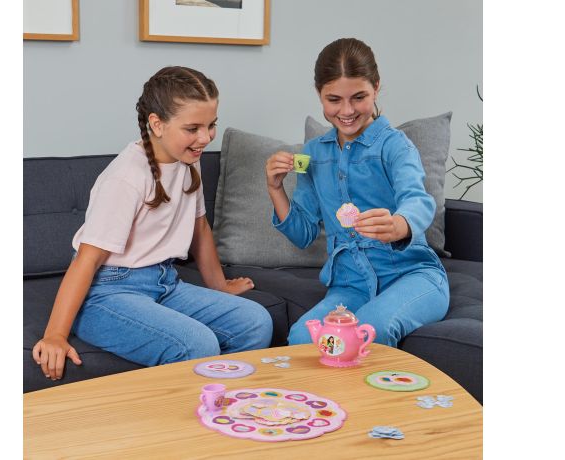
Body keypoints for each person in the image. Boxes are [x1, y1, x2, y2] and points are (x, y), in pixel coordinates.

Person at [33, 66, 273, 381]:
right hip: (106, 294)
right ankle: (198, 405)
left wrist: (220, 286)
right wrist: (55, 335)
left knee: (256, 322)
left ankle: (227, 401)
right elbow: (87, 259)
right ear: (157, 124)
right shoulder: (127, 178)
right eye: (193, 128)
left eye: (211, 125)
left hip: (164, 282)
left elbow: (200, 228)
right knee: (198, 345)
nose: (205, 137)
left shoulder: (189, 160)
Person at [265, 38, 449, 347]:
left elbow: (417, 199)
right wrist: (275, 188)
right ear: (319, 94)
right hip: (351, 287)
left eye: (359, 97)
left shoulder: (395, 145)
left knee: (370, 329)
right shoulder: (313, 154)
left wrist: (399, 224)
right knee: (301, 338)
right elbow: (303, 234)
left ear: (376, 88)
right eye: (334, 99)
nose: (347, 111)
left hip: (413, 276)